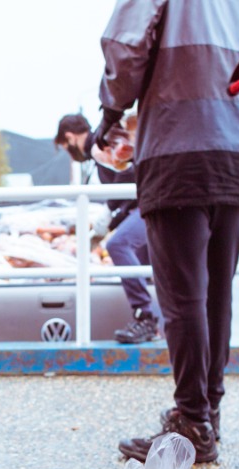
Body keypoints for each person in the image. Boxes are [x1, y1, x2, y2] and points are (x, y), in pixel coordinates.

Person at [97, 0, 239, 464]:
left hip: (176, 147)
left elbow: (125, 46)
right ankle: (209, 413)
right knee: (216, 296)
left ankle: (192, 419)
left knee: (182, 297)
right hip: (236, 148)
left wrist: (110, 110)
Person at [54, 112, 159, 345]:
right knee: (140, 259)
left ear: (70, 138)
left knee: (119, 244)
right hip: (147, 204)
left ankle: (145, 317)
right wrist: (106, 223)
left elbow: (126, 179)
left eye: (66, 147)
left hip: (151, 203)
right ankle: (157, 321)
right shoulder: (102, 146)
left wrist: (105, 222)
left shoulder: (98, 147)